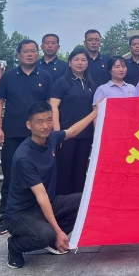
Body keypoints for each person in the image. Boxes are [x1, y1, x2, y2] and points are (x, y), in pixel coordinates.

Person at [4, 102, 98, 269]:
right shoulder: (24, 157)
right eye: (40, 122)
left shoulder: (50, 139)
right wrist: (58, 231)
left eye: (49, 120)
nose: (46, 126)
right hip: (20, 213)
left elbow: (72, 131)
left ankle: (53, 241)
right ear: (29, 125)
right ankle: (15, 246)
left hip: (45, 205)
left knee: (84, 202)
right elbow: (41, 196)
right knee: (44, 235)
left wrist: (96, 112)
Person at [0, 39, 52, 235]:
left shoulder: (45, 76)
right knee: (10, 175)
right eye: (26, 51)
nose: (29, 54)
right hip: (12, 133)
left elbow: (49, 105)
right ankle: (6, 217)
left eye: (33, 51)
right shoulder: (9, 76)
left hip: (38, 136)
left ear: (38, 53)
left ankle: (39, 215)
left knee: (40, 176)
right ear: (18, 54)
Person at [48, 47, 95, 196]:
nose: (80, 63)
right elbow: (54, 108)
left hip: (85, 135)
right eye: (76, 59)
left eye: (83, 60)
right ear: (69, 62)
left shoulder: (90, 84)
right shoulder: (61, 83)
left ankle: (77, 206)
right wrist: (58, 134)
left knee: (80, 172)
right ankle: (62, 205)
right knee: (64, 172)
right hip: (66, 135)